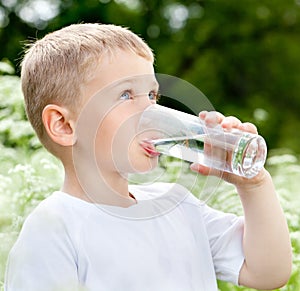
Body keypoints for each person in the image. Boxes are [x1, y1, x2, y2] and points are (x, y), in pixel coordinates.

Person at [4, 23, 292, 291]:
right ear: (64, 125)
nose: (150, 112)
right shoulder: (54, 228)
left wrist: (253, 184)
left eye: (152, 96)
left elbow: (268, 272)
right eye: (126, 96)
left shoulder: (176, 204)